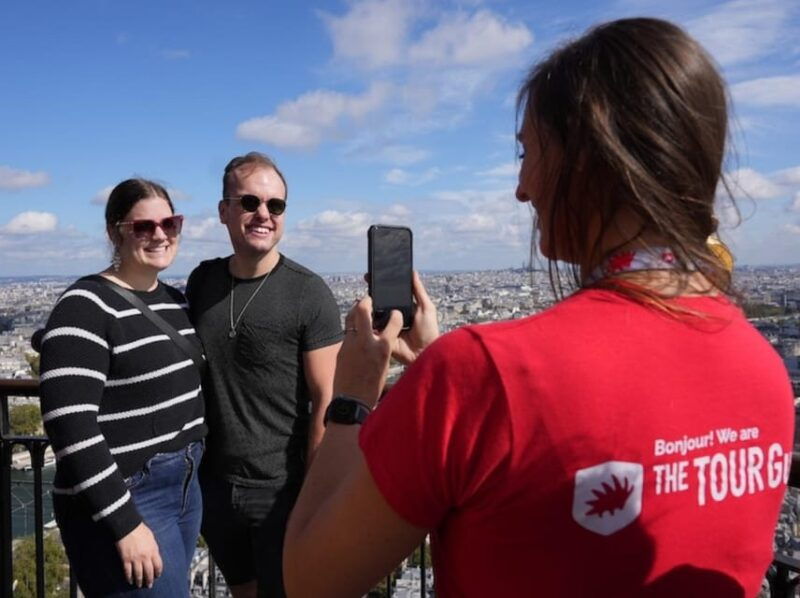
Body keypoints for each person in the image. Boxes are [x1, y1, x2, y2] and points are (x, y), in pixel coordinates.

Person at [283, 18, 795, 597]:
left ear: (590, 158)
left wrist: (352, 396)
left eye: (528, 152)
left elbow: (310, 579)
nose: (521, 189)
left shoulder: (478, 375)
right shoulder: (764, 368)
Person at [185, 152, 342, 597]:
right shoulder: (203, 281)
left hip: (280, 490)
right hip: (213, 484)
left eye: (276, 206)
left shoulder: (308, 293)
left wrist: (311, 494)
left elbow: (325, 401)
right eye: (250, 201)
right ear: (223, 211)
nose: (263, 215)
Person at [39, 178, 206, 596]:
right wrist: (125, 523)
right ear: (115, 232)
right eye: (143, 227)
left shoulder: (175, 301)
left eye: (170, 223)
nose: (160, 234)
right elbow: (69, 424)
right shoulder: (85, 305)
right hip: (131, 496)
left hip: (184, 487)